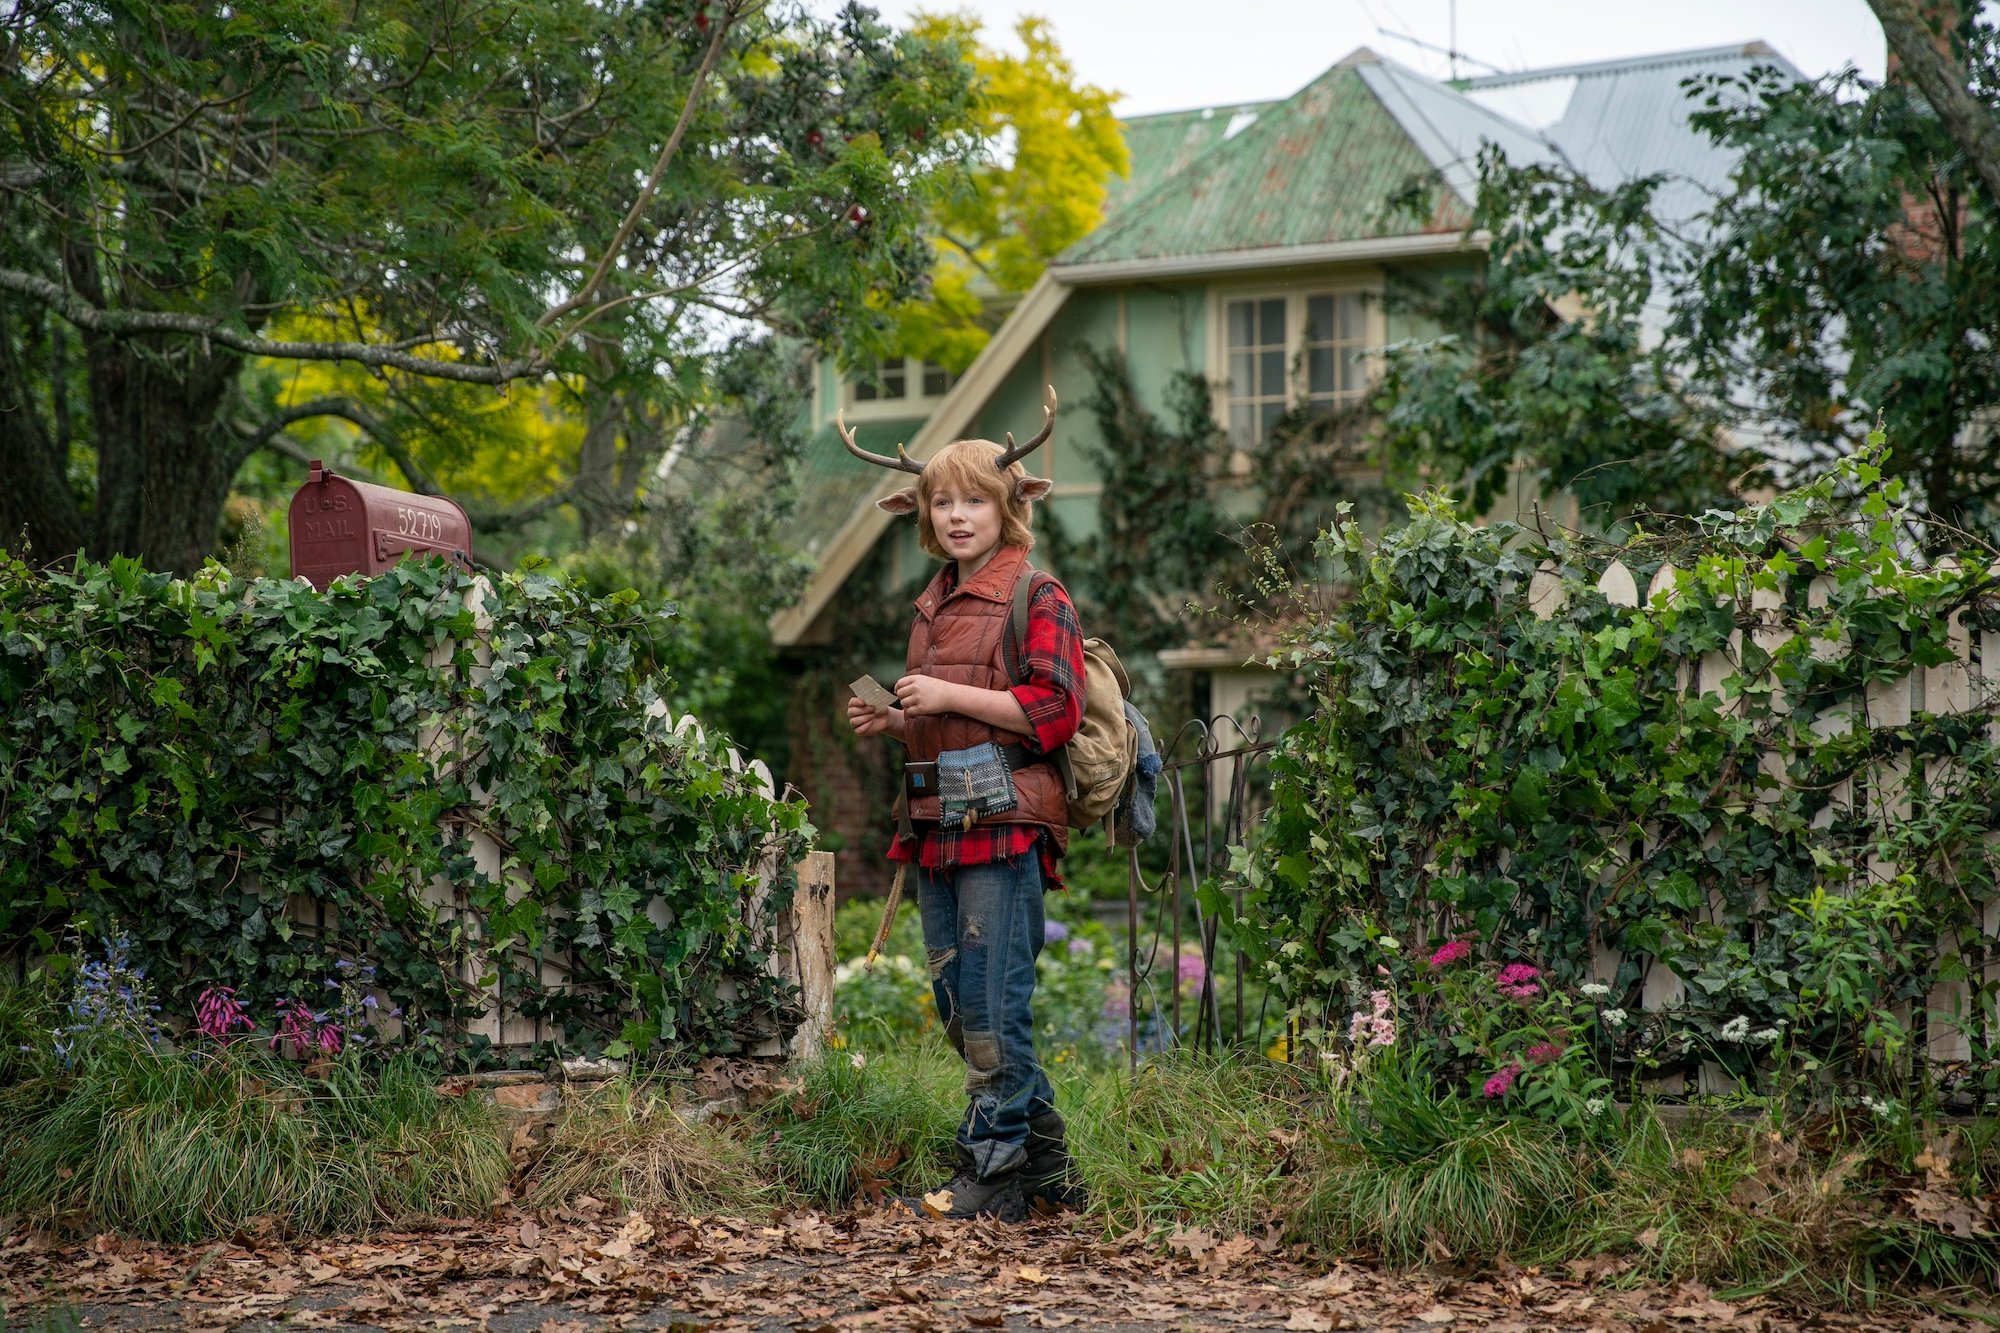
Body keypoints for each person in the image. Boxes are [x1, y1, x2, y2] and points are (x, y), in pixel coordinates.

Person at [840, 388, 1087, 1222]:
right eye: (942, 501)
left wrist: (945, 692)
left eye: (974, 500)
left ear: (1010, 504)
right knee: (957, 1005)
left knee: (992, 1006)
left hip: (1006, 825)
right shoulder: (934, 604)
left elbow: (1056, 708)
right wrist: (896, 719)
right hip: (938, 825)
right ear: (921, 512)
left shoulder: (1039, 596)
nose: (956, 515)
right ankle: (1047, 1163)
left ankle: (994, 1171)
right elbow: (954, 718)